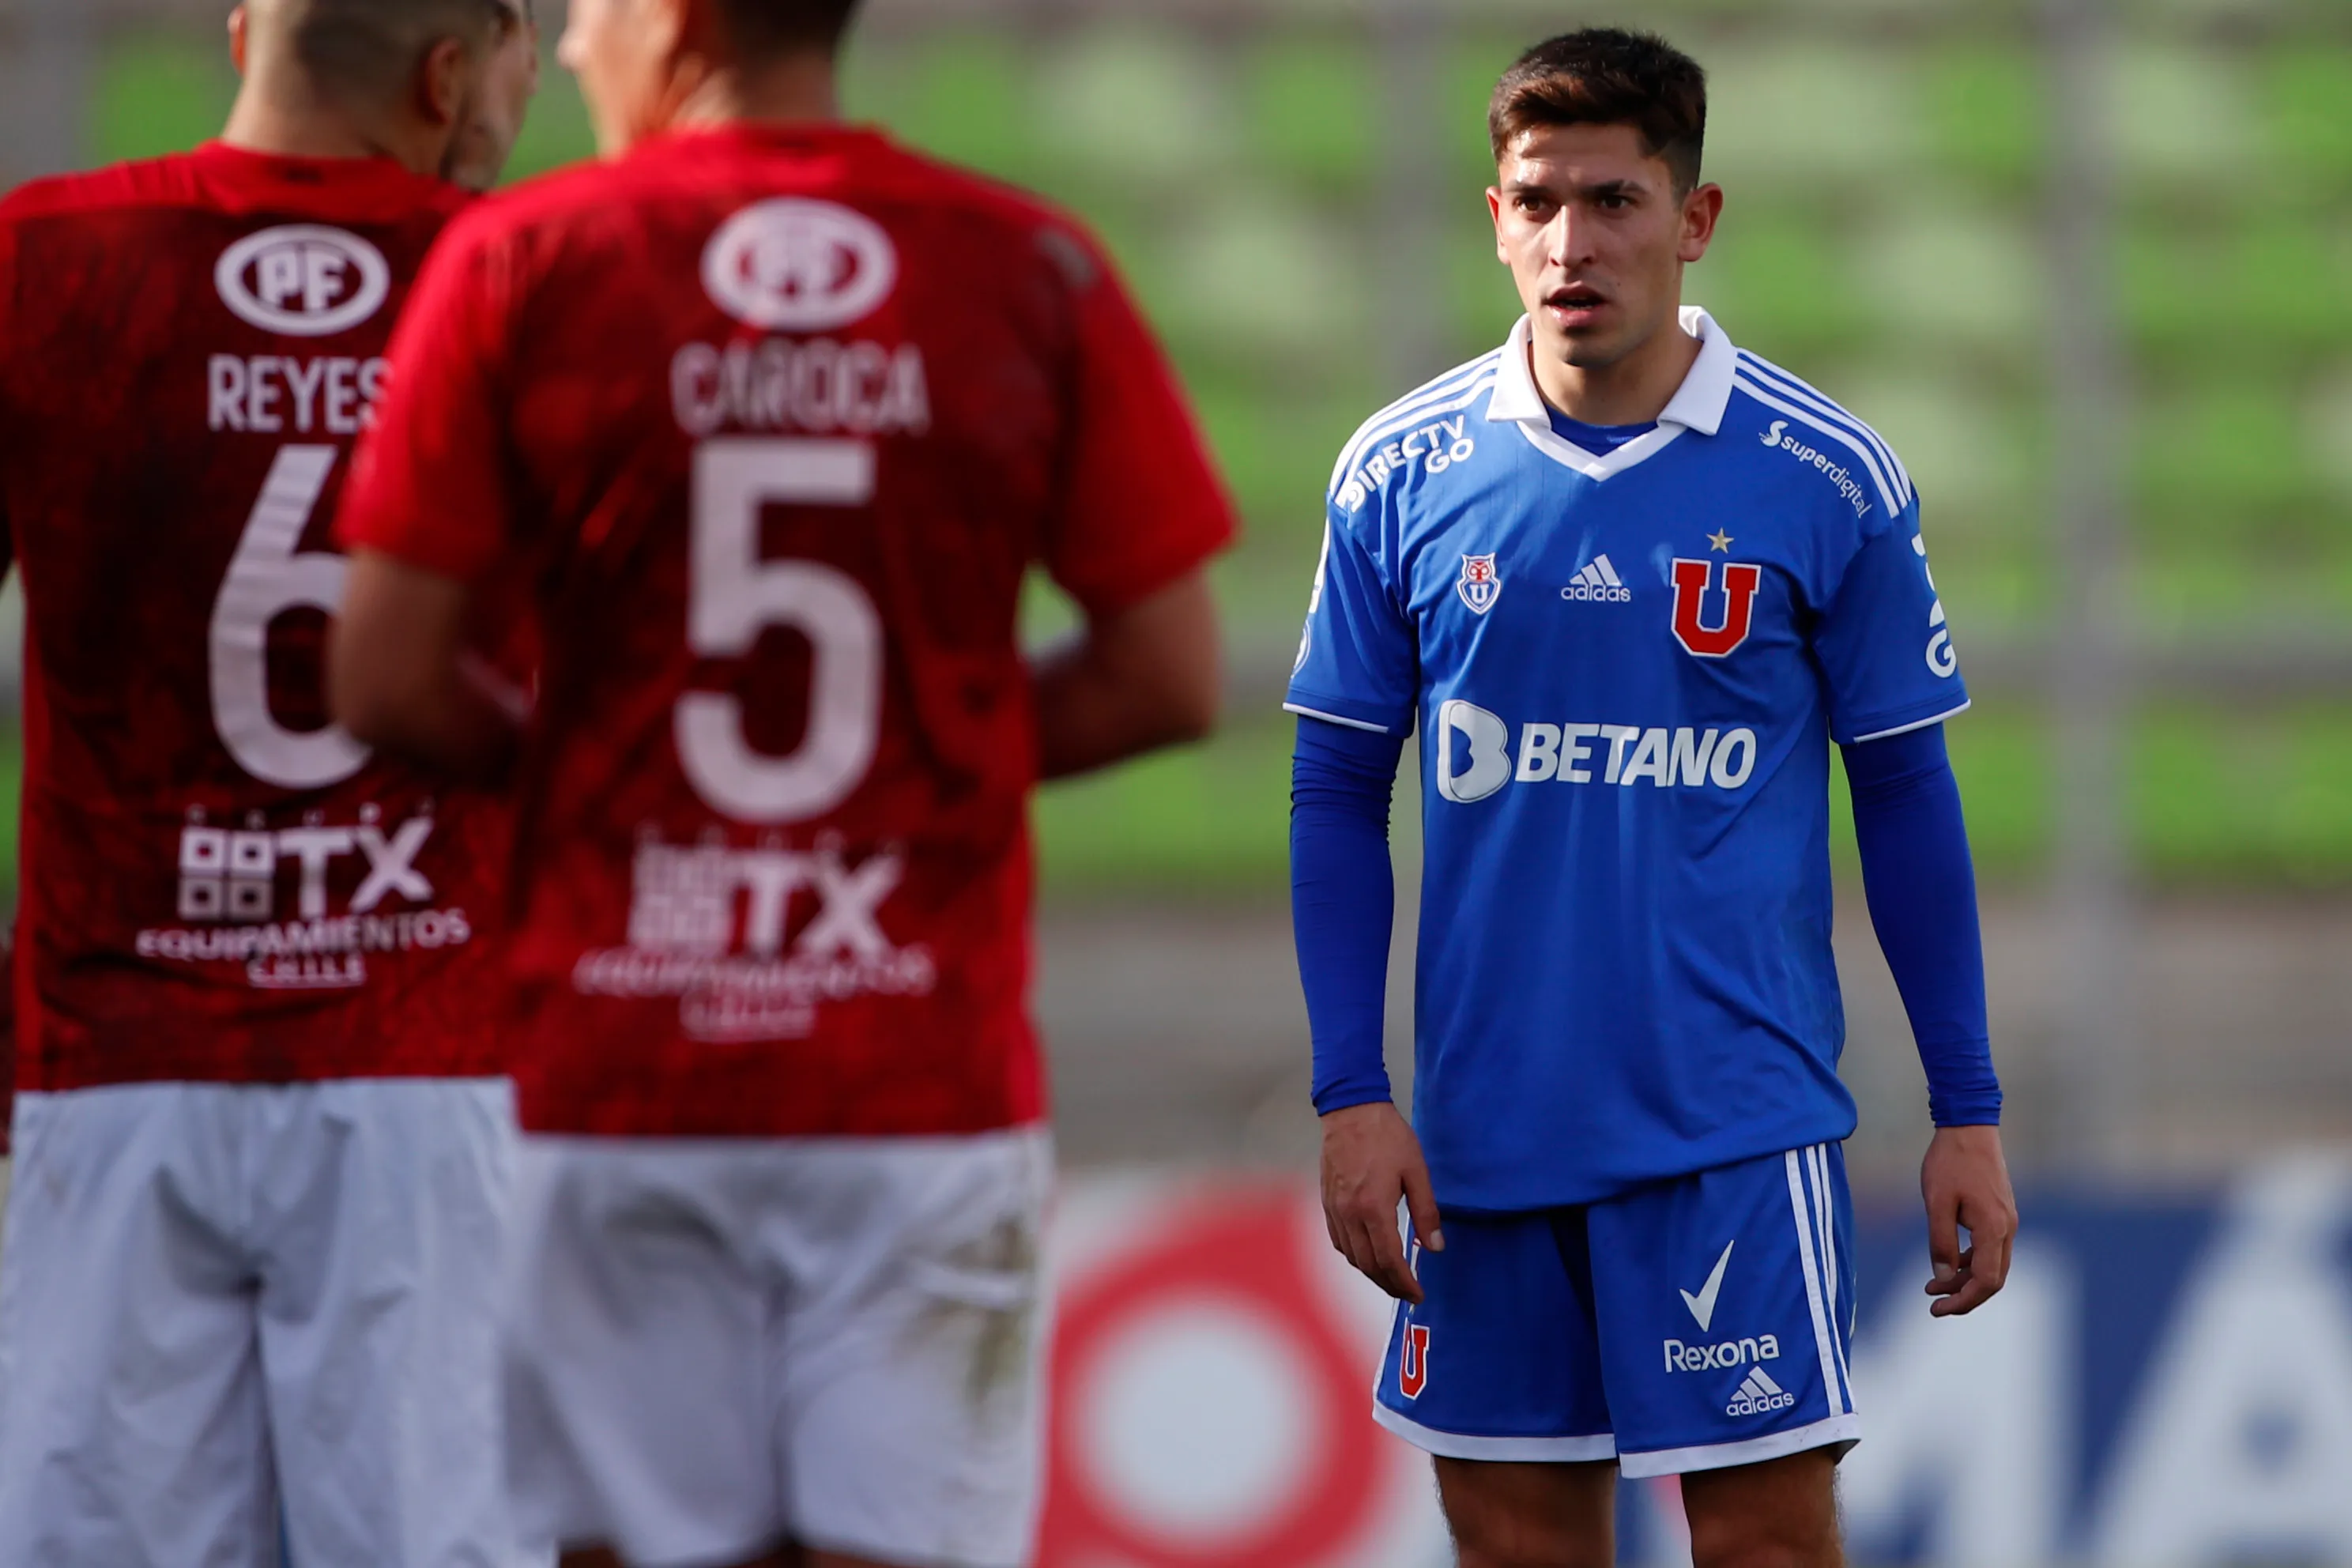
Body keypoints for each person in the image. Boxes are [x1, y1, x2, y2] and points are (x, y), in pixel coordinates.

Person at [327, 2, 1236, 1564]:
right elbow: (1166, 672)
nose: (576, 41)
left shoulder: (524, 257)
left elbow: (386, 676)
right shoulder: (1027, 263)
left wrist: (602, 778)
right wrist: (915, 762)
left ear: (672, 22)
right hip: (914, 1068)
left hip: (620, 1067)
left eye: (592, 10)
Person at [1287, 28, 2018, 1568]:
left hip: (1732, 1135)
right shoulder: (1401, 470)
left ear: (1696, 218)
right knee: (1515, 1542)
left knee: (1762, 1538)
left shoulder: (1823, 475)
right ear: (1494, 213)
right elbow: (1338, 784)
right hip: (1482, 1138)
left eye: (1615, 199)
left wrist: (1968, 1104)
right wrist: (1351, 1087)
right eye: (1539, 200)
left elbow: (1906, 793)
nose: (1573, 242)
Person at [0, 2, 540, 1563]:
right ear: (450, 72)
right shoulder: (527, 278)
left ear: (243, 35)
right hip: (438, 1065)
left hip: (114, 1058)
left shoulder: (40, 262)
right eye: (519, 49)